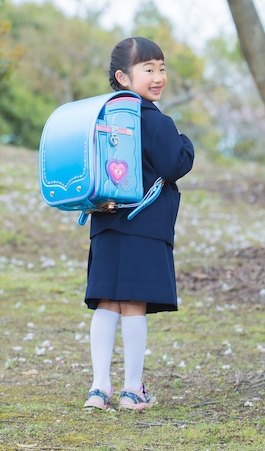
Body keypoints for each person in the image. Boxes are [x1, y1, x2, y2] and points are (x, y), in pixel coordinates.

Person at [83, 36, 195, 412]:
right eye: (149, 69)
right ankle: (132, 389)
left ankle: (99, 388)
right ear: (123, 76)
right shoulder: (153, 118)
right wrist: (186, 143)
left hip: (105, 221)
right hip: (143, 224)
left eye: (162, 68)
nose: (159, 76)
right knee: (133, 306)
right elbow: (173, 164)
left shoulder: (102, 114)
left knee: (106, 304)